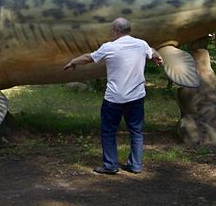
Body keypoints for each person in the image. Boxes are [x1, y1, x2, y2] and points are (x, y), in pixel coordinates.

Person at [63, 18, 163, 175]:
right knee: (136, 132)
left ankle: (110, 165)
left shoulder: (109, 47)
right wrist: (157, 56)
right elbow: (152, 51)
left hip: (114, 99)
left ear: (116, 30)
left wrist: (73, 61)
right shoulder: (141, 44)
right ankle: (135, 166)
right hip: (136, 97)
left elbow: (89, 57)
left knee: (109, 132)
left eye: (112, 30)